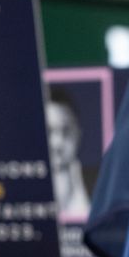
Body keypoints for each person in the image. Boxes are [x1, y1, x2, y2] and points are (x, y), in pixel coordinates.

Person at [45, 88, 93, 218]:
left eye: (66, 130)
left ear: (78, 133)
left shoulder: (100, 183)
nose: (57, 143)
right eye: (48, 131)